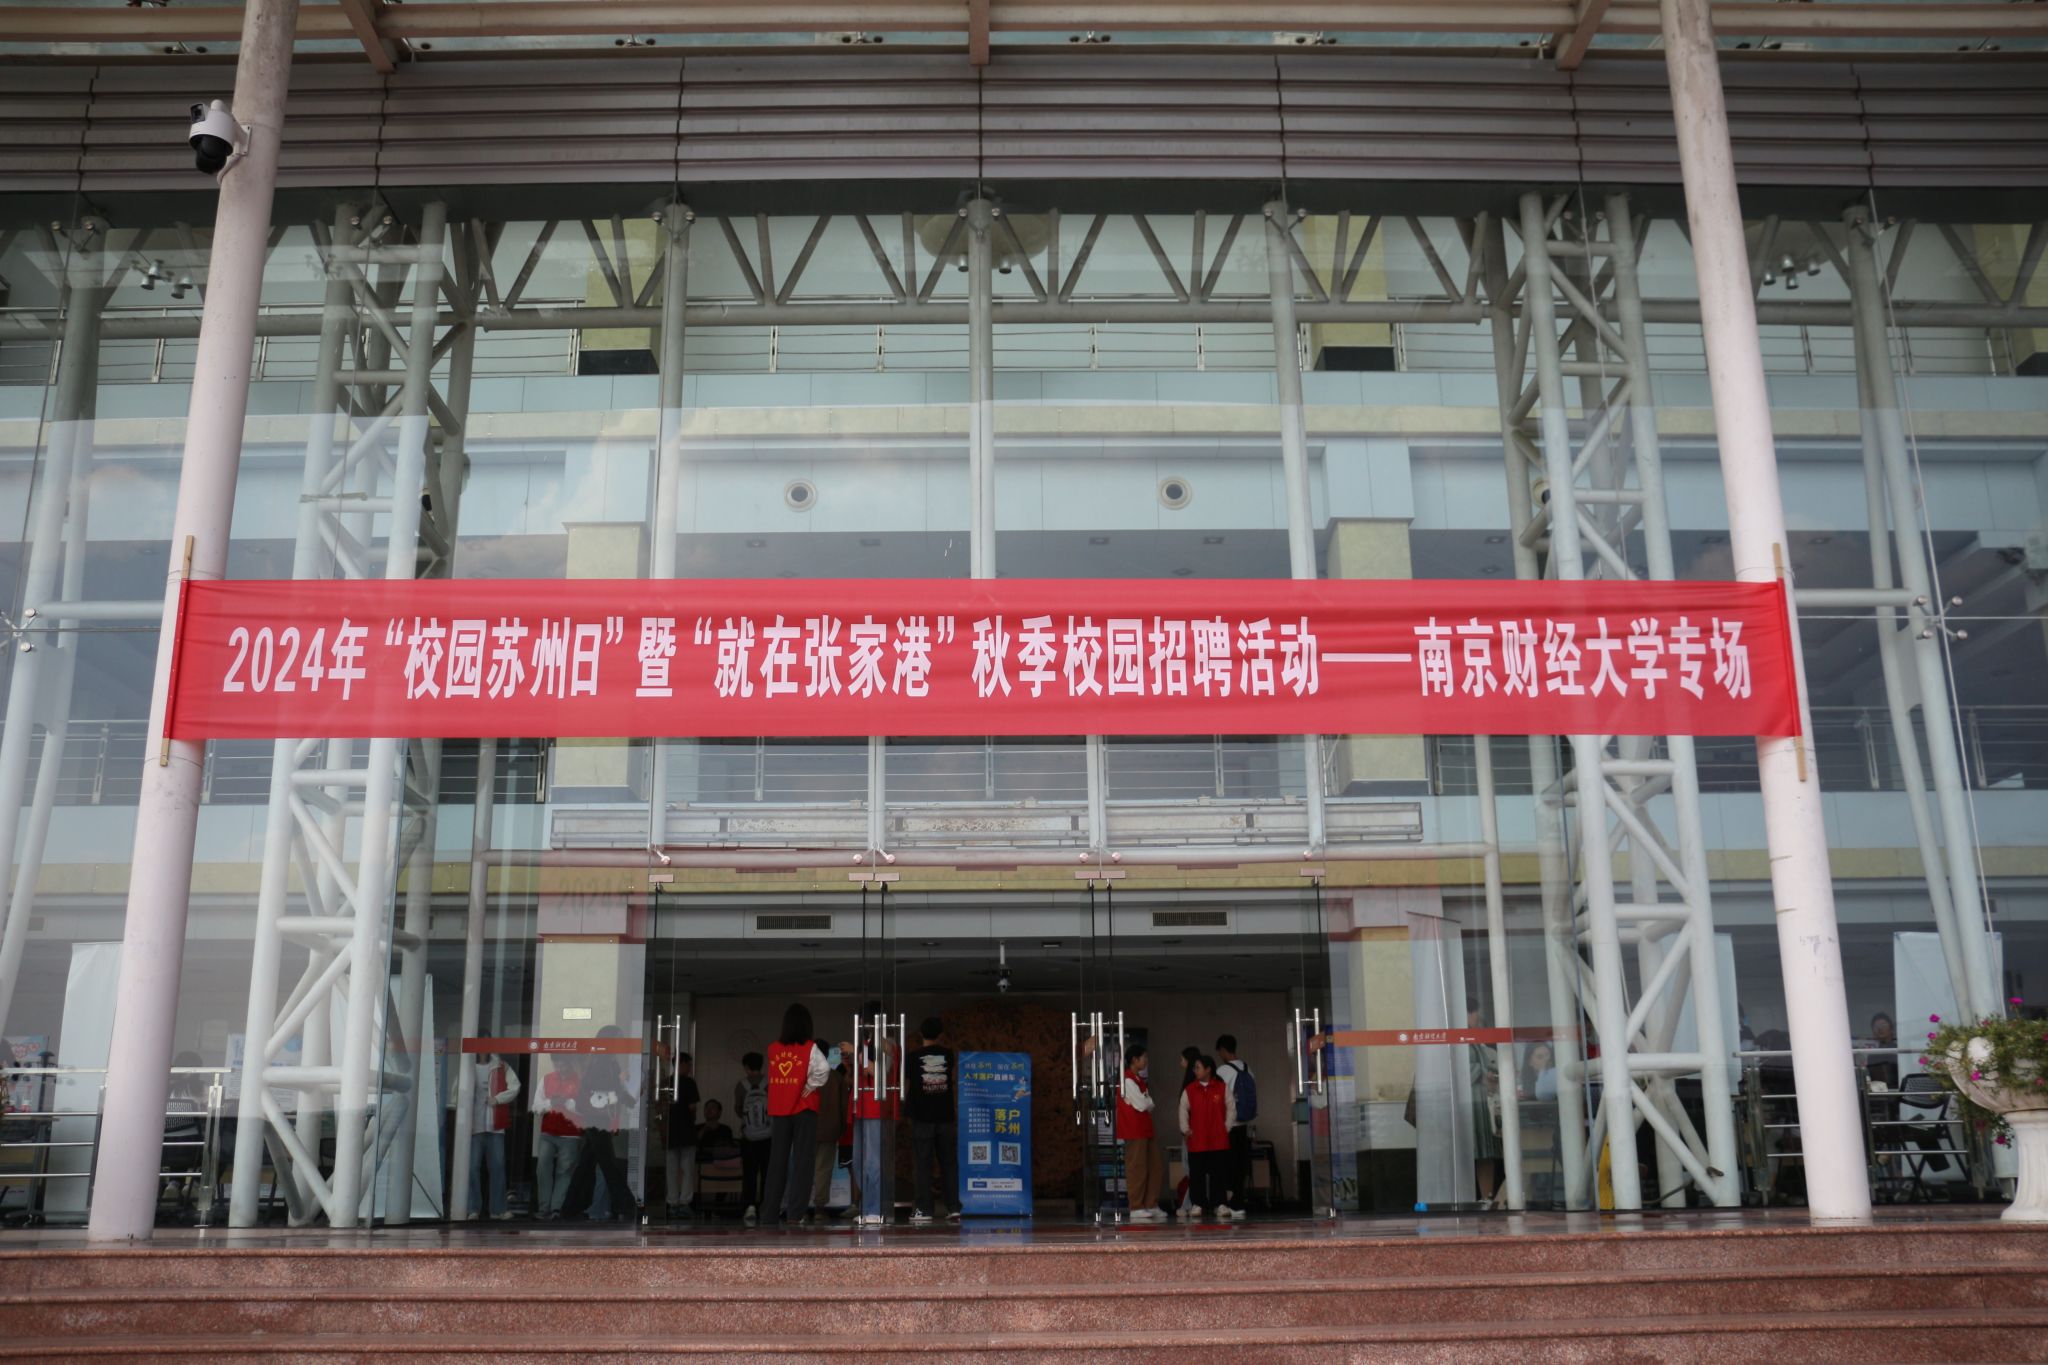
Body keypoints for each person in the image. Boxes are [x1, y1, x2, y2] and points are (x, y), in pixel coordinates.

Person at [760, 1003, 829, 1226]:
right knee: (803, 1161)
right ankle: (795, 1213)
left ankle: (769, 1213)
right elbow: (824, 1070)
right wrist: (809, 1086)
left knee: (777, 1162)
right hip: (804, 1109)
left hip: (780, 1110)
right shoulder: (810, 1047)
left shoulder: (773, 1049)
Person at [562, 1046, 637, 1222]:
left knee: (587, 1164)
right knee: (608, 1163)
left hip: (599, 1119)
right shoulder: (601, 1065)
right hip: (596, 1119)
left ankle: (570, 1208)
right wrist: (623, 1091)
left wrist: (627, 1098)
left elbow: (612, 1089)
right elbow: (600, 1090)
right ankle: (627, 1207)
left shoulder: (609, 1064)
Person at [906, 1017, 959, 1224]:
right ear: (941, 1035)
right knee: (949, 1163)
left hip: (922, 1117)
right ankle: (953, 1208)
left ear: (921, 1033)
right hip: (945, 1116)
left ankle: (924, 1209)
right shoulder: (948, 1055)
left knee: (922, 1164)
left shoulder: (912, 1057)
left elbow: (908, 1080)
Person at [852, 1000, 900, 1228]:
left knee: (872, 1161)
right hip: (860, 1106)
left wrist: (859, 1056)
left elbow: (881, 1072)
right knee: (859, 1161)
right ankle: (868, 1206)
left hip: (876, 1106)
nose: (861, 1022)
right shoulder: (865, 1042)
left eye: (863, 1018)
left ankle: (873, 1209)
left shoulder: (887, 1043)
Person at [1178, 1054, 1235, 1221]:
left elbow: (1231, 1108)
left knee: (1219, 1173)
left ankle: (1220, 1204)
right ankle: (1198, 1204)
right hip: (1197, 1139)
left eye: (1198, 1067)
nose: (1195, 1070)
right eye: (1194, 1068)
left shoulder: (1222, 1088)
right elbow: (1182, 1109)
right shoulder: (1190, 1090)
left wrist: (1226, 1127)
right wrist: (1185, 1129)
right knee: (1197, 1174)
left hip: (1218, 1140)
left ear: (1208, 1069)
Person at [468, 1051, 521, 1220]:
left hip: (495, 1126)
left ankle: (497, 1210)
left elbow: (515, 1087)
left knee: (498, 1166)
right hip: (473, 1127)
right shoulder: (468, 1066)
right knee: (472, 1168)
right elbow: (457, 1092)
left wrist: (497, 1099)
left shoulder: (501, 1066)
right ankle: (472, 1209)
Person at [1116, 1044, 1166, 1222]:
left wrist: (1147, 1101)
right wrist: (1147, 1101)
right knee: (1137, 1168)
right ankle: (1136, 1206)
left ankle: (1151, 1204)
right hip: (1134, 1130)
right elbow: (1144, 1104)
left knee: (1154, 1167)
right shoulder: (1127, 1080)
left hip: (1145, 1129)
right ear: (1134, 1060)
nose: (1146, 1061)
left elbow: (1147, 1104)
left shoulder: (1138, 1080)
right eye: (1143, 1057)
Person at [533, 1055, 582, 1219]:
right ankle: (544, 1208)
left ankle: (556, 1209)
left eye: (564, 1066)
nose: (561, 1069)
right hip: (548, 1132)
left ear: (570, 1063)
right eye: (557, 1066)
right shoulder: (546, 1079)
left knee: (565, 1171)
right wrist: (551, 1103)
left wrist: (567, 1102)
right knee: (542, 1168)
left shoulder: (580, 1081)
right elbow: (536, 1107)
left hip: (571, 1134)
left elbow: (585, 1109)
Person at [809, 1038, 852, 1224]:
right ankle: (819, 1208)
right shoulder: (836, 1078)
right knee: (823, 1169)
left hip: (806, 1130)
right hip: (830, 1130)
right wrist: (841, 1128)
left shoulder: (805, 1076)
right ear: (826, 1054)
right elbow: (844, 1107)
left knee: (804, 1168)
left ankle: (800, 1208)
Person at [1213, 1034, 1255, 1217]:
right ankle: (1239, 1204)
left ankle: (1227, 1203)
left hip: (1228, 1126)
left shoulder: (1222, 1071)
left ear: (1223, 1050)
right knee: (1240, 1166)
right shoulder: (1247, 1069)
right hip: (1244, 1123)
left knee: (1226, 1166)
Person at [1466, 1007, 1502, 1205]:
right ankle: (1479, 1197)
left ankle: (1487, 1197)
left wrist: (1491, 1074)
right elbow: (1457, 1069)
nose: (1476, 1018)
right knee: (1476, 1150)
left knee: (1484, 1152)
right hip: (1470, 1101)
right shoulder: (1458, 1040)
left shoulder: (1474, 1042)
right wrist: (1482, 1073)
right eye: (1473, 1013)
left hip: (1480, 1099)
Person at [735, 1052, 772, 1222]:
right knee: (767, 1172)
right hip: (768, 1135)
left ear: (747, 1067)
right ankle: (766, 1206)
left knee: (749, 1172)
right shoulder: (770, 1083)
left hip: (748, 1136)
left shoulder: (741, 1085)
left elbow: (738, 1109)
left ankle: (749, 1206)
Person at [665, 1049, 701, 1217]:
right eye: (689, 1064)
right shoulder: (689, 1083)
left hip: (670, 1131)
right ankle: (685, 1202)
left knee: (671, 1170)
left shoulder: (666, 1082)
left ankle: (672, 1202)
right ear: (682, 1064)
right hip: (686, 1130)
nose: (690, 1067)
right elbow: (692, 1107)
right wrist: (691, 1118)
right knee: (687, 1169)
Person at [1867, 1011, 1899, 1088]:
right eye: (1876, 1027)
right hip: (1879, 1092)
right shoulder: (1872, 1055)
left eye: (1883, 1025)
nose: (1880, 1029)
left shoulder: (1898, 1050)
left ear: (1891, 1028)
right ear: (1873, 1032)